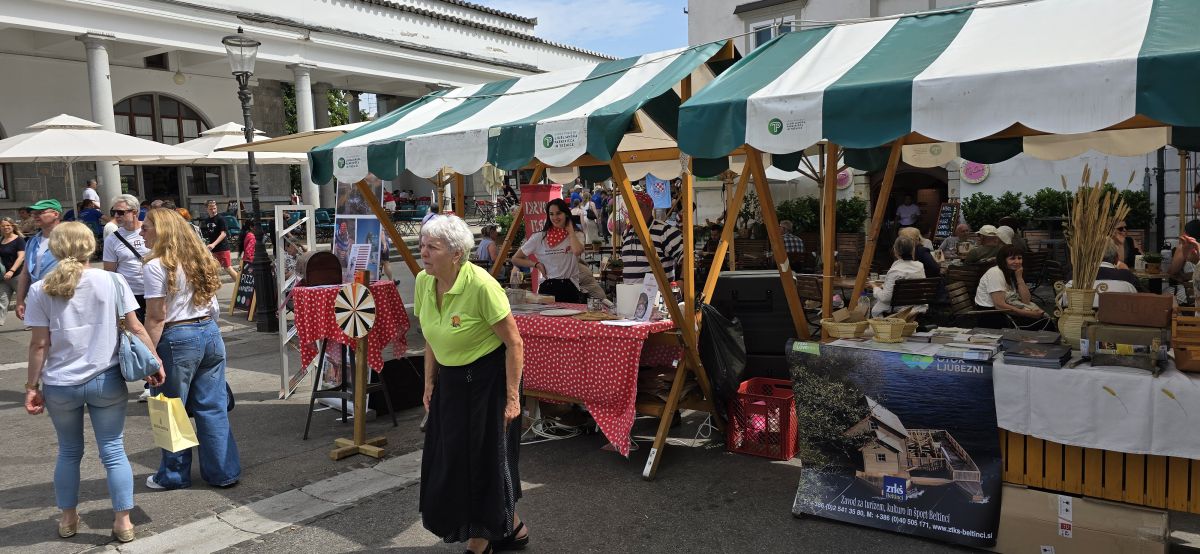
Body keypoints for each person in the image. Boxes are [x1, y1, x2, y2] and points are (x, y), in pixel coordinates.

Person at [23, 222, 163, 543]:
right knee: (113, 450)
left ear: (56, 249)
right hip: (106, 378)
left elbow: (39, 344)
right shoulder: (113, 280)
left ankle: (68, 518)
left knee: (68, 452)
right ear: (91, 247)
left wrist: (32, 387)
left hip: (60, 384)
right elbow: (136, 328)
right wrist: (154, 362)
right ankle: (123, 522)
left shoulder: (40, 289)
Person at [415, 215, 528, 554]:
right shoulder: (423, 281)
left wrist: (512, 398)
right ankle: (512, 527)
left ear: (456, 254)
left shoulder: (481, 285)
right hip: (452, 380)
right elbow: (431, 335)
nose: (423, 253)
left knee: (485, 460)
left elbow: (514, 343)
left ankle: (481, 541)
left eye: (432, 247)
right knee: (451, 459)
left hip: (490, 381)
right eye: (422, 245)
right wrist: (430, 381)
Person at [141, 208, 240, 490]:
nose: (141, 232)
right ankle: (223, 471)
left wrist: (149, 355)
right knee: (213, 407)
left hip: (177, 336)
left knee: (170, 407)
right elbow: (213, 304)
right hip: (208, 331)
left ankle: (174, 475)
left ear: (162, 230)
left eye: (146, 227)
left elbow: (156, 317)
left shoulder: (155, 265)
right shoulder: (198, 258)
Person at [512, 199, 585, 302]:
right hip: (547, 286)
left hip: (570, 286)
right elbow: (515, 259)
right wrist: (536, 264)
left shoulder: (577, 235)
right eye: (551, 214)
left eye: (558, 213)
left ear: (566, 214)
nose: (555, 217)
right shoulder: (539, 237)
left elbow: (577, 251)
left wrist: (571, 232)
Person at [102, 195, 150, 320]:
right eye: (113, 212)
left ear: (134, 212)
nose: (116, 216)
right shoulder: (112, 239)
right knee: (136, 329)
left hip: (154, 290)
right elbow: (110, 272)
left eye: (120, 212)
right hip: (130, 295)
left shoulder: (151, 230)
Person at [975, 245, 1047, 328]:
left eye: (1019, 258)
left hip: (1006, 311)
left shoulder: (1011, 272)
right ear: (1003, 260)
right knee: (1042, 323)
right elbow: (999, 305)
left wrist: (1019, 278)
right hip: (990, 314)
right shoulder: (995, 273)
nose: (1017, 262)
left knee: (1044, 320)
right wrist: (1029, 314)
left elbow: (1026, 300)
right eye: (1012, 258)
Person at [15, 199, 64, 321]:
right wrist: (20, 300)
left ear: (55, 214)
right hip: (38, 296)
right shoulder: (32, 241)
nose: (35, 216)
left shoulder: (68, 238)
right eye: (33, 213)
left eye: (40, 212)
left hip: (61, 296)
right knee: (40, 333)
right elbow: (26, 273)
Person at [621, 192, 683, 284]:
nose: (633, 210)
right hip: (629, 292)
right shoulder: (626, 234)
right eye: (630, 207)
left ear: (650, 208)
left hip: (660, 292)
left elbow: (687, 258)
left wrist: (682, 281)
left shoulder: (665, 231)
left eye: (639, 206)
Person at [870, 236, 927, 317]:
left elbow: (885, 298)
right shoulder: (920, 266)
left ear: (895, 251)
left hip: (898, 308)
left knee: (875, 304)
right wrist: (884, 286)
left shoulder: (895, 271)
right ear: (912, 250)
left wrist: (875, 287)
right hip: (917, 307)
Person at [199, 200, 238, 282]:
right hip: (213, 249)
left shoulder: (221, 219)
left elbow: (223, 234)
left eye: (214, 208)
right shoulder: (207, 220)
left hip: (222, 248)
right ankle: (213, 286)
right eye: (211, 209)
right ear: (207, 209)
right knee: (212, 269)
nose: (213, 210)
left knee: (228, 268)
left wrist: (213, 244)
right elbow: (207, 234)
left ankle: (240, 284)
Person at [0, 216, 26, 326]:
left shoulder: (19, 240)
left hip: (17, 275)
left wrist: (11, 270)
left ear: (13, 226)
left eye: (8, 225)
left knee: (25, 300)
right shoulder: (1, 240)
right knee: (2, 301)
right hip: (3, 277)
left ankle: (31, 322)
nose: (5, 227)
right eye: (3, 226)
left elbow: (21, 257)